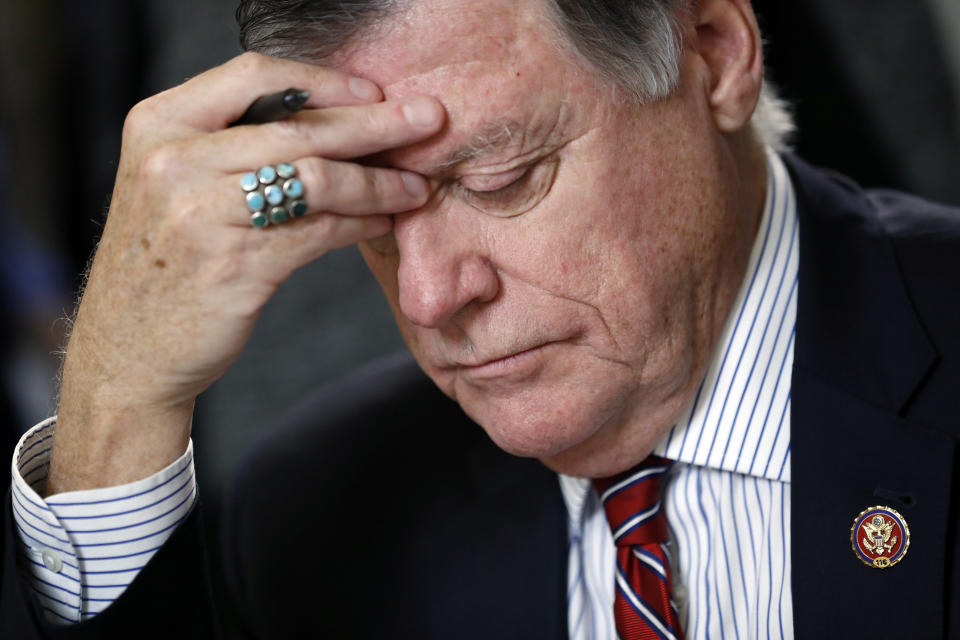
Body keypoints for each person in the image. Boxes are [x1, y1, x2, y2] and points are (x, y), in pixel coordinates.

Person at [3, 0, 959, 638]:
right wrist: (117, 402)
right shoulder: (307, 517)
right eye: (376, 216)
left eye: (501, 181)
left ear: (714, 53)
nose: (427, 299)